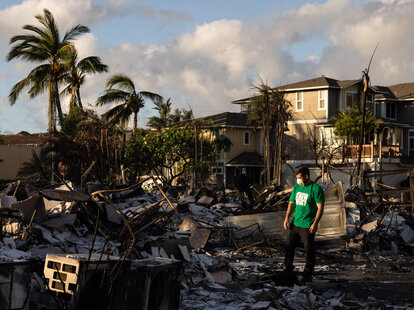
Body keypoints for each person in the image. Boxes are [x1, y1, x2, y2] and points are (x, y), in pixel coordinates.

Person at [283, 166, 325, 283]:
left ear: (306, 176)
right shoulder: (297, 187)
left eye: (300, 178)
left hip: (307, 225)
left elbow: (320, 208)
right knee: (289, 246)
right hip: (295, 223)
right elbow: (291, 204)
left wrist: (315, 223)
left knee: (309, 249)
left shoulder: (316, 189)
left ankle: (308, 273)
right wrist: (287, 218)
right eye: (297, 178)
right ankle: (288, 268)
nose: (298, 181)